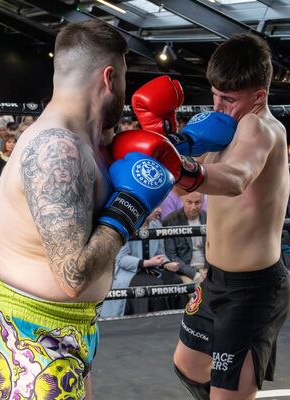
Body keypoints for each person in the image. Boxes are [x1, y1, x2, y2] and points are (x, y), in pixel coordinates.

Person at [0, 20, 180, 400]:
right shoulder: (57, 148)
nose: (126, 89)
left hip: (75, 326)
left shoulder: (95, 140)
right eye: (124, 77)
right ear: (109, 78)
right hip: (32, 333)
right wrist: (130, 204)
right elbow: (73, 275)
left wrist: (174, 141)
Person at [170, 34, 290, 400]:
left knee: (228, 393)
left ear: (259, 97)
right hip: (216, 279)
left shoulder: (261, 128)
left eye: (229, 99)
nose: (218, 105)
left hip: (252, 290)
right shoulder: (224, 125)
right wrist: (171, 147)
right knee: (187, 363)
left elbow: (236, 179)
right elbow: (180, 189)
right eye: (215, 94)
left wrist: (181, 163)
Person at [101, 206, 183, 318]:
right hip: (129, 272)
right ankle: (156, 324)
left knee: (175, 280)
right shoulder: (125, 227)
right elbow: (121, 259)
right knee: (155, 286)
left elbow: (160, 253)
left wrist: (167, 264)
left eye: (160, 206)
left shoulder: (156, 225)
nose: (159, 210)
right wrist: (147, 263)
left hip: (152, 269)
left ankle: (177, 322)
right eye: (156, 206)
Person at [163, 192, 207, 284]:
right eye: (189, 202)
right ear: (182, 200)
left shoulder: (208, 218)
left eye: (197, 202)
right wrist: (194, 273)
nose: (193, 207)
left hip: (207, 268)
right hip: (184, 270)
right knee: (196, 291)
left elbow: (215, 248)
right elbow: (171, 255)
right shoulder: (171, 221)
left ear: (203, 201)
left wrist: (208, 270)